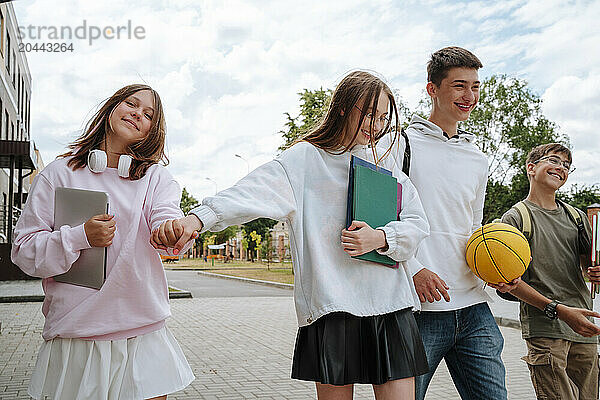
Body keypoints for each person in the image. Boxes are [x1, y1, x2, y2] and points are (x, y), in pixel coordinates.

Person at [151, 71, 430, 399]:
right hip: (333, 306)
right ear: (343, 107)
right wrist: (197, 218)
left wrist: (382, 238)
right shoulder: (305, 159)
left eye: (383, 117)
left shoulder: (384, 165)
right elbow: (249, 192)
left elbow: (417, 222)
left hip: (390, 305)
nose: (377, 124)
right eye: (369, 114)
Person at [11, 84, 195, 400]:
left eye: (148, 114)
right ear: (111, 107)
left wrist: (172, 231)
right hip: (76, 334)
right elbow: (25, 252)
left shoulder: (156, 178)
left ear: (152, 130)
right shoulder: (58, 173)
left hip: (142, 334)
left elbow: (166, 217)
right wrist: (80, 237)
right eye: (131, 104)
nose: (138, 113)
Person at [380, 47, 507, 399]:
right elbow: (383, 217)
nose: (470, 97)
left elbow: (475, 227)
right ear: (432, 90)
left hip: (473, 305)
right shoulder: (400, 144)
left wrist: (494, 269)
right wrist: (414, 267)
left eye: (476, 87)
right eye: (459, 86)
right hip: (417, 306)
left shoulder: (478, 158)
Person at [491, 143, 600, 400]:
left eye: (566, 166)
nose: (561, 168)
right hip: (546, 328)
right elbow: (511, 283)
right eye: (554, 160)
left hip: (583, 326)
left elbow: (588, 268)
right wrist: (559, 311)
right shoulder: (516, 218)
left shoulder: (576, 216)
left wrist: (596, 273)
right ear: (531, 168)